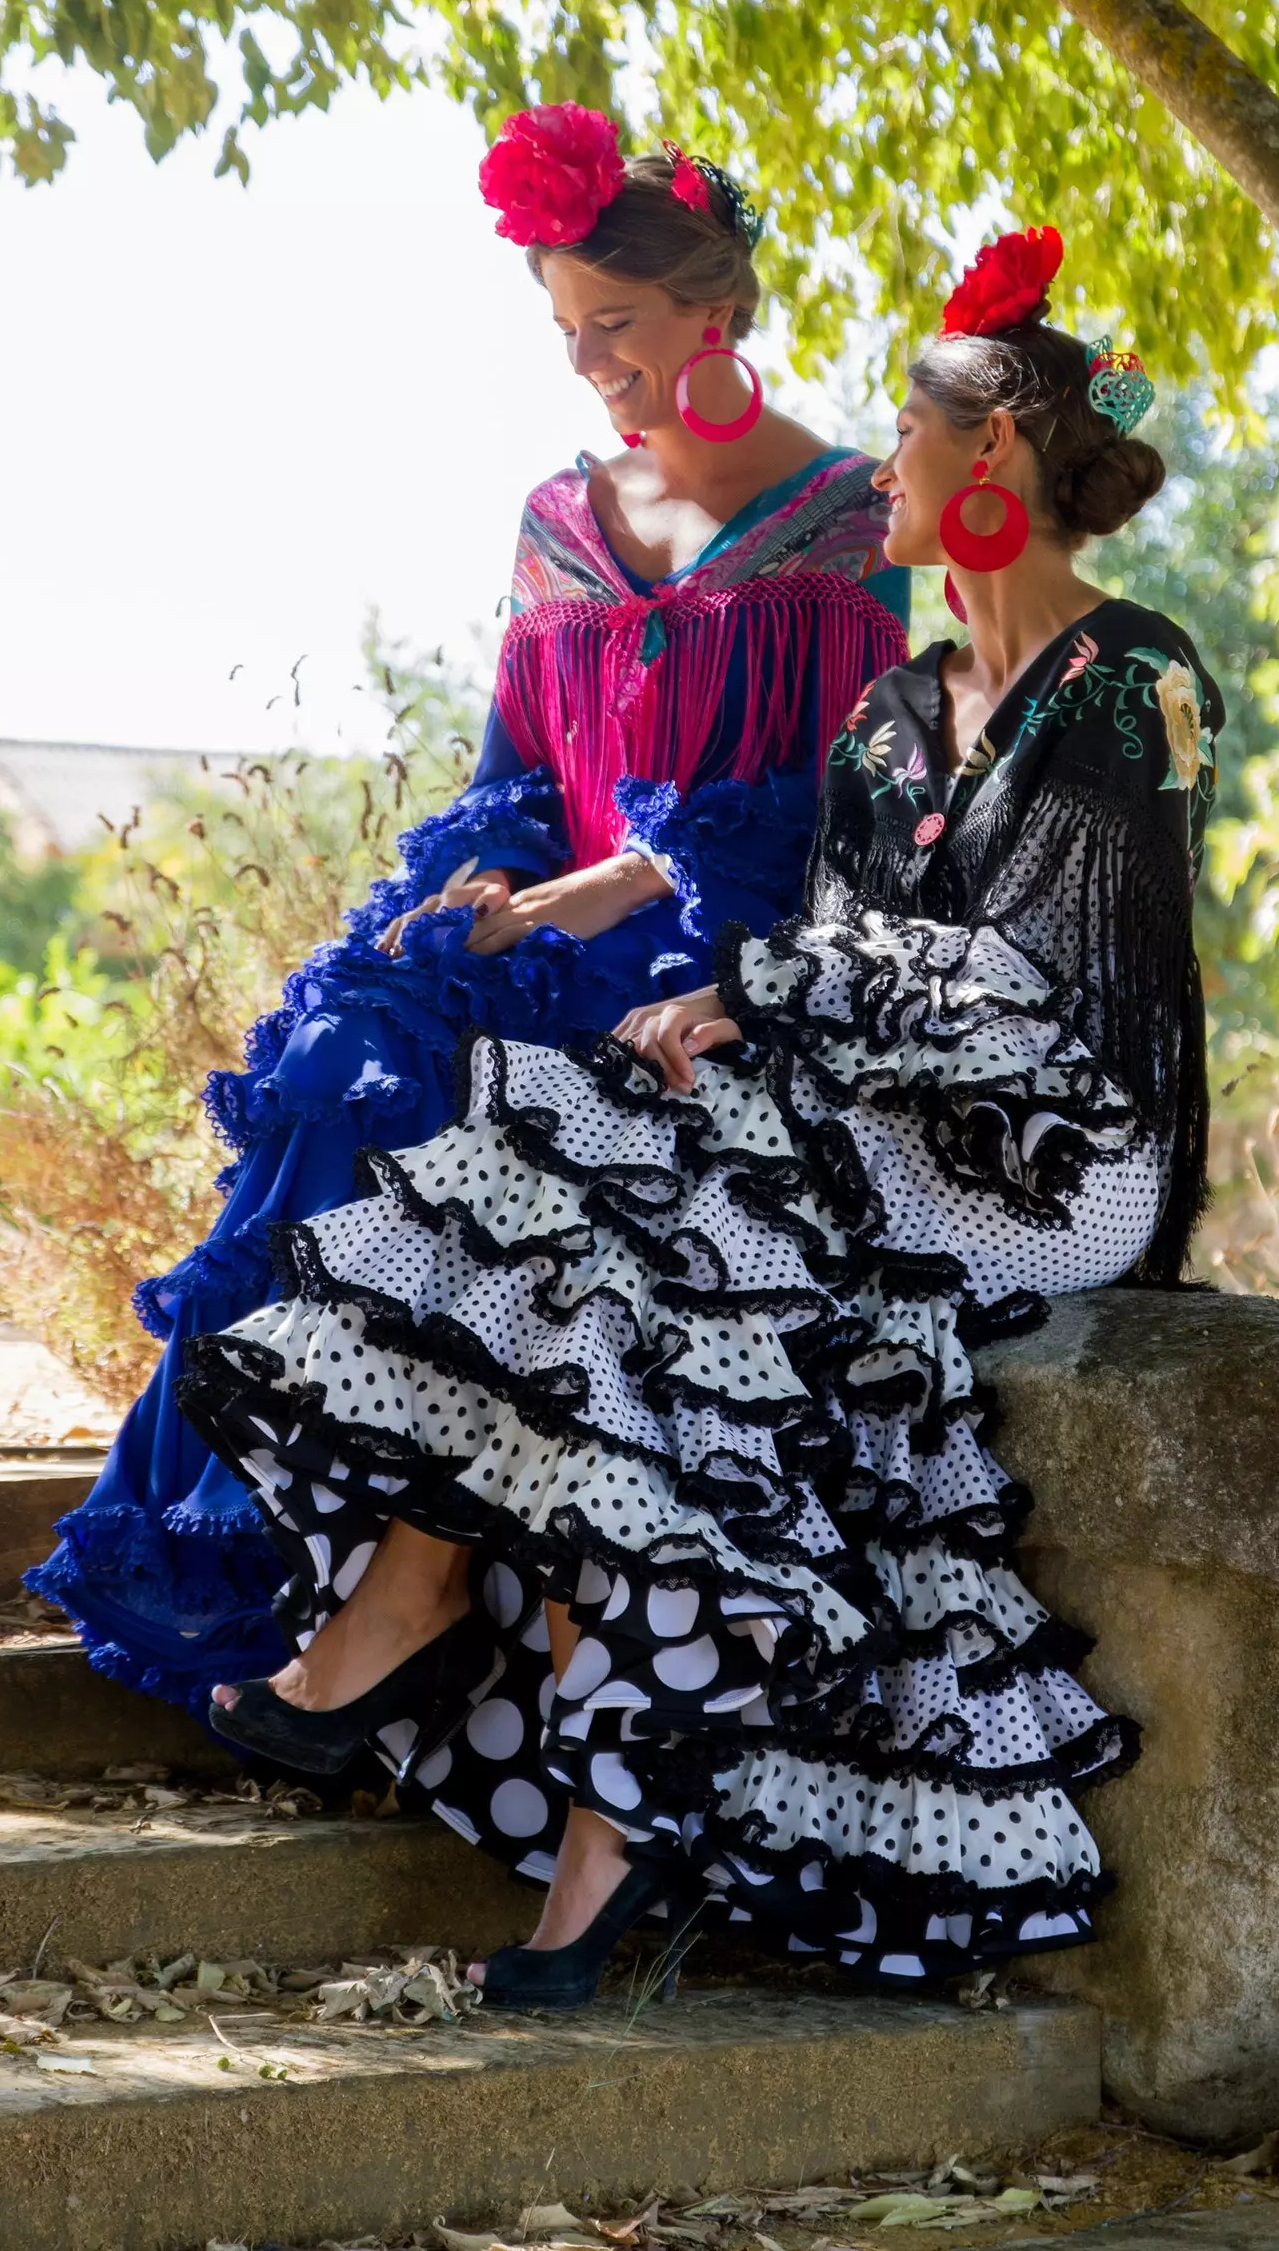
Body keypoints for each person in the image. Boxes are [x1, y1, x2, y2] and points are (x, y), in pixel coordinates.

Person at [176, 225, 1222, 2005]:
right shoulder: (895, 716)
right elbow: (830, 930)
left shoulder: (1138, 682)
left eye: (909, 435)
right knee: (580, 1171)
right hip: (883, 1105)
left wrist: (774, 1000)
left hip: (1052, 1161)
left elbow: (1049, 997)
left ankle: (474, 1704)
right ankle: (460, 1677)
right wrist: (721, 997)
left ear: (993, 466)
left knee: (695, 1251)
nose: (878, 463)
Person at [30, 105, 911, 1721]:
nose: (594, 366)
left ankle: (401, 1600)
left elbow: (841, 803)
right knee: (353, 1042)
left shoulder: (852, 514)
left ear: (715, 310)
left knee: (482, 1121)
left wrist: (615, 888)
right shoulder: (556, 517)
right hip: (546, 929)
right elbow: (512, 769)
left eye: (620, 327)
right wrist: (477, 885)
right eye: (569, 334)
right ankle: (230, 1550)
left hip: (696, 950)